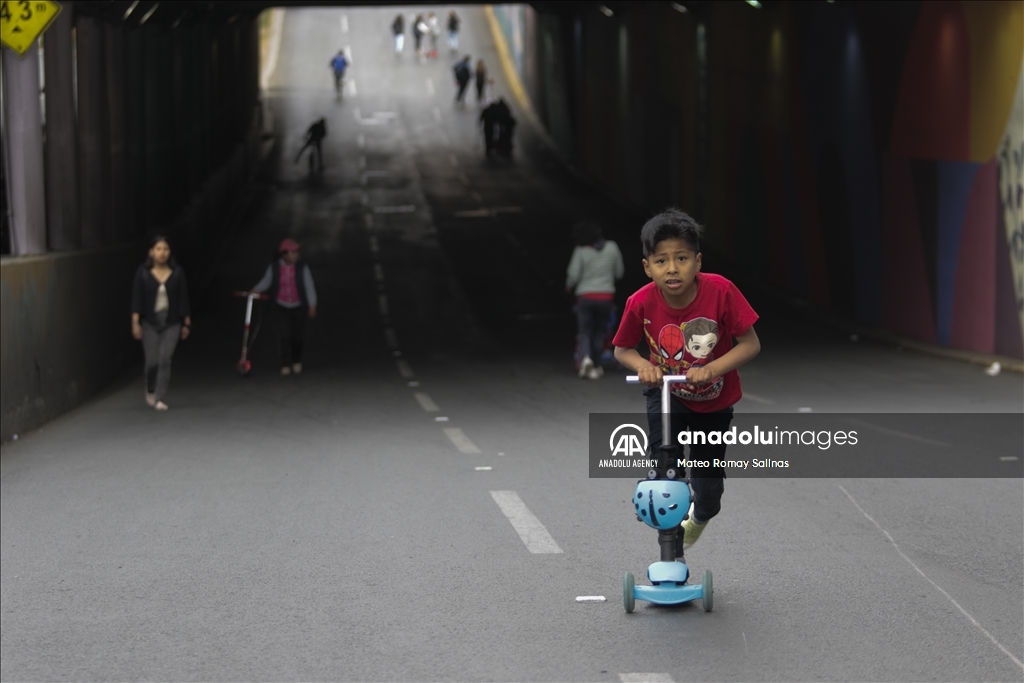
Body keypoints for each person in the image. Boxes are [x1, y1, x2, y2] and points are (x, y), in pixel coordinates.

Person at [612, 209, 760, 555]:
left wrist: (713, 368)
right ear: (648, 267)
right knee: (666, 471)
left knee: (707, 489)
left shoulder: (721, 292)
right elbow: (622, 349)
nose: (672, 268)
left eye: (681, 258)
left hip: (714, 403)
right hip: (667, 396)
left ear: (697, 261)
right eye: (661, 261)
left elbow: (751, 344)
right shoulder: (640, 302)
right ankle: (670, 543)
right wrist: (644, 365)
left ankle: (701, 513)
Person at [131, 236, 191, 411]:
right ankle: (150, 387)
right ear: (151, 251)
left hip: (172, 323)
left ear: (170, 252)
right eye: (158, 249)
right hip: (150, 322)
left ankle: (160, 397)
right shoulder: (142, 273)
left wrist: (186, 323)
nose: (162, 253)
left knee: (165, 359)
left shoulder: (177, 272)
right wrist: (135, 322)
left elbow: (183, 298)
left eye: (165, 249)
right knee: (152, 361)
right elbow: (137, 300)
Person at [251, 238, 318, 376]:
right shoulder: (275, 267)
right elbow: (267, 281)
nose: (296, 255)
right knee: (284, 335)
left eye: (297, 252)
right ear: (284, 254)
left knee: (297, 335)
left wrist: (312, 304)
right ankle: (285, 363)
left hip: (298, 306)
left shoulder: (302, 268)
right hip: (281, 306)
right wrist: (256, 289)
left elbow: (309, 285)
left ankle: (296, 360)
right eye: (293, 253)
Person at [566, 222, 624, 379]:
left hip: (585, 297)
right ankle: (597, 365)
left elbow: (573, 274)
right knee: (600, 331)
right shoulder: (612, 247)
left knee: (584, 331)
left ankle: (585, 358)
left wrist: (569, 286)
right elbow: (619, 272)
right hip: (606, 297)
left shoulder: (581, 251)